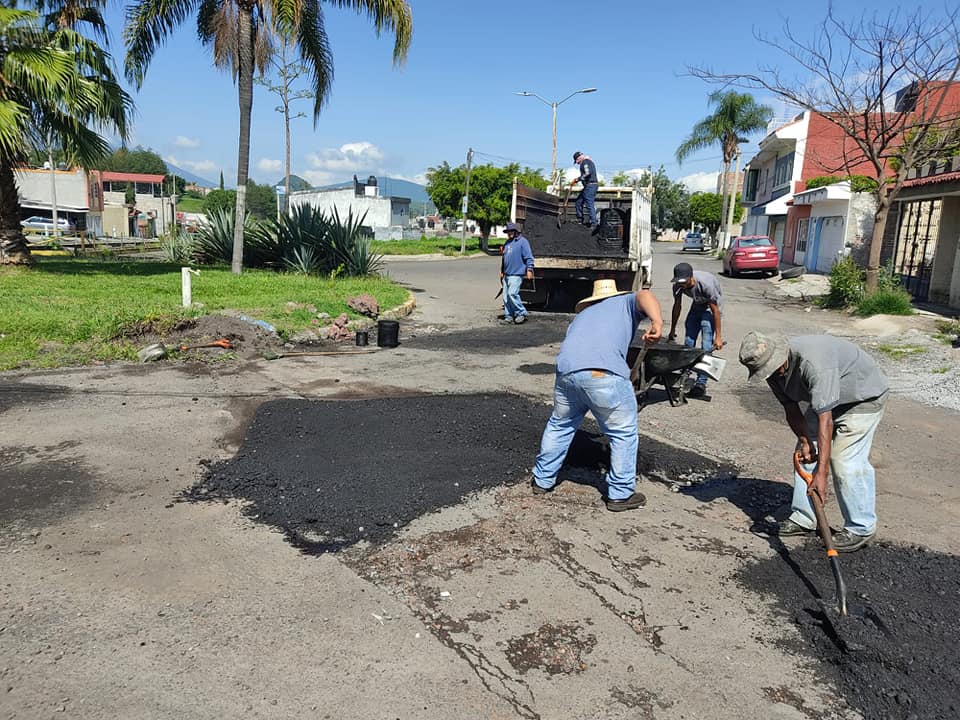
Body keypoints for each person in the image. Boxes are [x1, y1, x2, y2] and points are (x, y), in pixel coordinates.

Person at [738, 331, 889, 552]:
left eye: (773, 369)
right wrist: (804, 440)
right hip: (829, 399)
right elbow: (790, 408)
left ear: (781, 357)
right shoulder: (774, 373)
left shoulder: (814, 364)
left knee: (844, 459)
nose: (772, 375)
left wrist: (822, 474)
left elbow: (825, 420)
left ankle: (861, 527)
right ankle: (804, 518)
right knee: (805, 453)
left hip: (862, 397)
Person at [532, 279, 663, 511]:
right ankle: (620, 494)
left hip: (566, 374)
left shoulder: (583, 316)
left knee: (560, 425)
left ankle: (542, 481)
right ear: (614, 294)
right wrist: (657, 321)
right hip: (602, 374)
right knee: (623, 432)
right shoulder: (624, 301)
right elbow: (644, 295)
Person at [667, 262, 724, 397]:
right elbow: (677, 306)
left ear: (691, 277)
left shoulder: (706, 285)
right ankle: (685, 375)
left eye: (685, 282)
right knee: (688, 342)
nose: (682, 285)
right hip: (697, 304)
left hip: (711, 308)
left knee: (706, 344)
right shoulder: (678, 286)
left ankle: (701, 383)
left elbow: (715, 311)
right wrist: (672, 329)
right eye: (680, 283)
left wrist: (718, 336)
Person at [500, 222, 534, 325]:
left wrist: (529, 269)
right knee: (505, 296)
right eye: (508, 231)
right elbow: (504, 258)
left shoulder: (523, 242)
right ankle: (509, 316)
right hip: (507, 274)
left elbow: (529, 257)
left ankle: (521, 313)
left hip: (517, 273)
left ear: (516, 232)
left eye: (511, 231)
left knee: (512, 293)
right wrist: (501, 271)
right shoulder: (507, 243)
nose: (509, 233)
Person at [570, 151, 599, 228]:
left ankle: (594, 223)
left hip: (590, 186)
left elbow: (587, 173)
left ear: (578, 158)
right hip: (589, 186)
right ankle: (580, 219)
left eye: (576, 161)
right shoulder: (588, 162)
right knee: (578, 202)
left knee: (589, 204)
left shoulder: (585, 162)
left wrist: (577, 179)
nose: (577, 163)